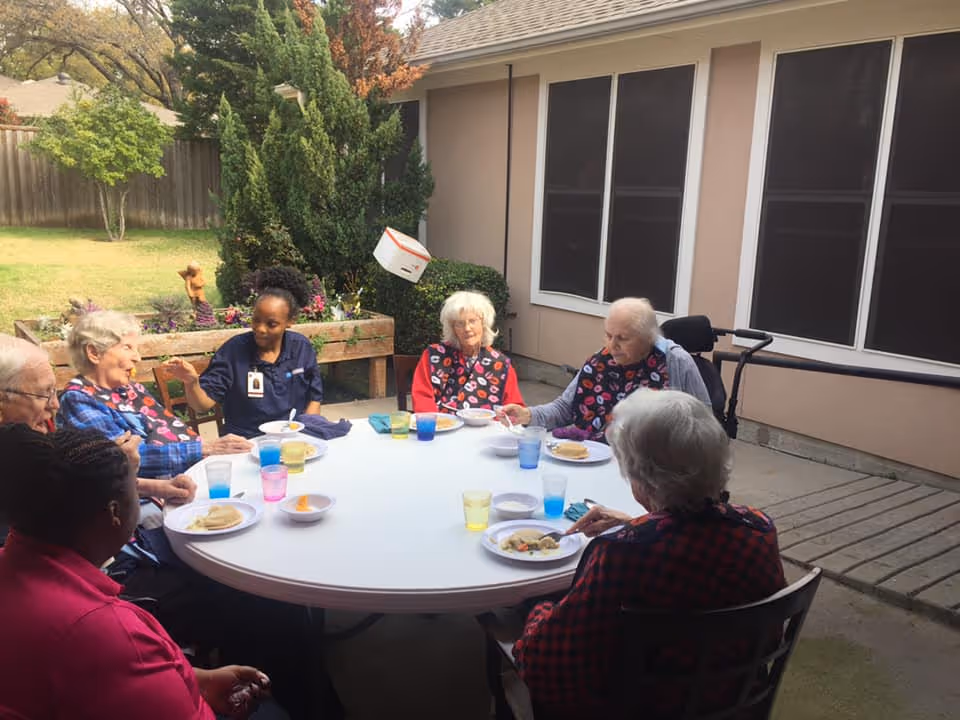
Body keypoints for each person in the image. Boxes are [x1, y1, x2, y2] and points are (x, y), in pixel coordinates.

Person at [510, 390, 786, 718]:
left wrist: (536, 611)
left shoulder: (624, 555)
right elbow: (766, 636)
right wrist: (634, 523)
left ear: (642, 478)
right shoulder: (758, 529)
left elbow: (547, 664)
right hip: (734, 703)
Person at [0, 424, 278, 720]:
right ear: (114, 512)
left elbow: (92, 681)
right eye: (135, 485)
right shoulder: (102, 630)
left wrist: (200, 680)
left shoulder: (15, 569)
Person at [0, 333, 194, 536]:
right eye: (43, 393)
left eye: (53, 391)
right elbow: (64, 514)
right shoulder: (15, 463)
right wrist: (119, 474)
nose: (55, 405)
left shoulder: (39, 429)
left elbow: (72, 480)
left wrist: (160, 487)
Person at [57, 311, 251, 478]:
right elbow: (121, 460)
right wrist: (205, 448)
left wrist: (213, 450)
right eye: (127, 347)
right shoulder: (79, 399)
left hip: (193, 474)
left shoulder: (132, 389)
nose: (137, 357)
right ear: (94, 353)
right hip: (150, 499)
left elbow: (168, 432)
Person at [501, 297, 710, 441]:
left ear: (648, 338)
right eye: (608, 335)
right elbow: (565, 408)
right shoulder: (600, 361)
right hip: (591, 455)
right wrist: (527, 415)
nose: (612, 345)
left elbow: (705, 426)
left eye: (622, 338)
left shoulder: (676, 361)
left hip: (650, 470)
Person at [164, 287, 324, 438]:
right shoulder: (233, 352)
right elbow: (202, 406)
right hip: (244, 443)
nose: (260, 329)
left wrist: (306, 436)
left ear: (290, 322)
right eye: (256, 320)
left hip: (291, 437)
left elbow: (314, 398)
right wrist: (192, 382)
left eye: (271, 324)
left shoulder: (300, 348)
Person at [411, 290, 524, 413]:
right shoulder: (434, 355)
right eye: (459, 323)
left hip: (487, 430)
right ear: (452, 328)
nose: (467, 328)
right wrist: (435, 426)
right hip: (443, 427)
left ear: (484, 323)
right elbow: (422, 399)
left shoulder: (500, 364)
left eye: (473, 321)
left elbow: (515, 409)